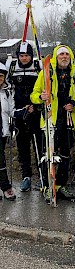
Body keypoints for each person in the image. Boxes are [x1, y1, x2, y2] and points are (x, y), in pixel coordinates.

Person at [30, 45, 75, 203]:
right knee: (48, 155)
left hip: (67, 119)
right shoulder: (46, 73)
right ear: (56, 56)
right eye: (61, 54)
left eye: (67, 55)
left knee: (65, 155)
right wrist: (41, 97)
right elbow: (33, 94)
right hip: (50, 119)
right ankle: (48, 186)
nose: (64, 57)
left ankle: (61, 185)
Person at [6, 42, 42, 192]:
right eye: (22, 56)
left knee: (40, 145)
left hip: (36, 111)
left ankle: (42, 176)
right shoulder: (13, 67)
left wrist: (37, 105)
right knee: (22, 146)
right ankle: (26, 176)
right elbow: (8, 87)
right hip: (20, 113)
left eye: (27, 55)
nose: (24, 58)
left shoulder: (37, 66)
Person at [0, 63, 16, 200]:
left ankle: (5, 186)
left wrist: (22, 112)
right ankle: (5, 186)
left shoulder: (7, 92)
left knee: (1, 159)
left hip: (2, 131)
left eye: (1, 76)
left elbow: (11, 111)